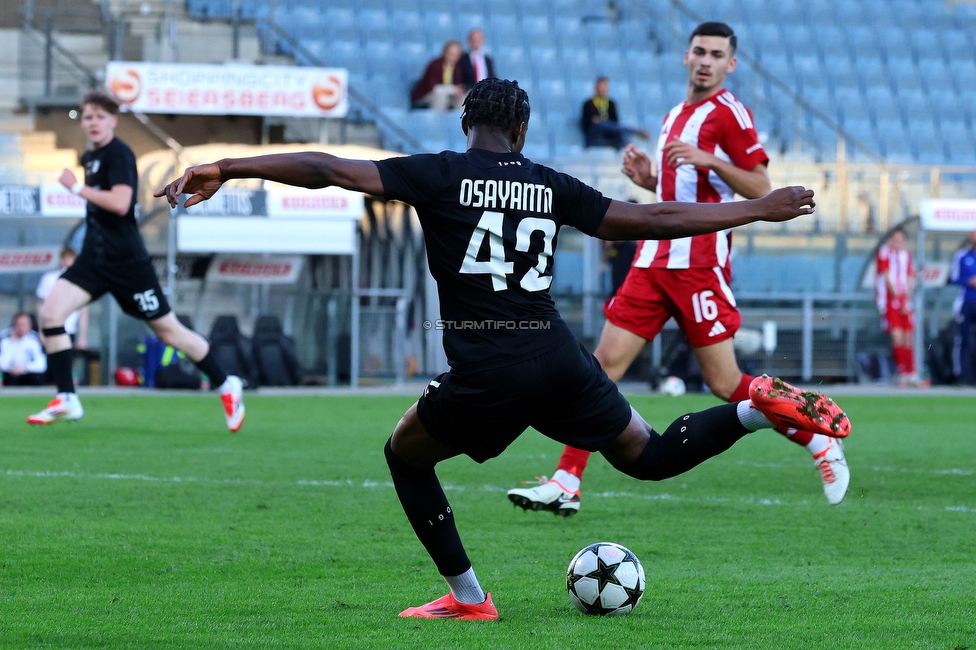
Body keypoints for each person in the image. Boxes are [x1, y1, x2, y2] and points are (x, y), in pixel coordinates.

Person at [157, 77, 850, 621]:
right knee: (650, 455)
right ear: (521, 130)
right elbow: (657, 217)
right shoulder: (549, 184)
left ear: (468, 125)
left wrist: (227, 165)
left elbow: (327, 167)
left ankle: (468, 597)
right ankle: (756, 410)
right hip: (556, 354)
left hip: (488, 369)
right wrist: (757, 208)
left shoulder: (439, 172)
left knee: (404, 454)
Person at [509, 22, 850, 515]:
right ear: (685, 57)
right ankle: (567, 479)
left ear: (730, 64)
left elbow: (760, 188)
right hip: (653, 260)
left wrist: (708, 158)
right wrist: (651, 180)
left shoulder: (729, 113)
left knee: (724, 383)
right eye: (699, 52)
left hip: (700, 265)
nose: (706, 60)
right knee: (599, 369)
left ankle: (816, 439)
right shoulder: (674, 115)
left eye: (717, 54)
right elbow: (680, 198)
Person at [27, 90, 244, 430]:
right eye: (88, 117)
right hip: (94, 259)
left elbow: (120, 203)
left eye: (100, 117)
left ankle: (226, 383)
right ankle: (67, 398)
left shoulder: (119, 155)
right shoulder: (90, 157)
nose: (93, 123)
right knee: (50, 314)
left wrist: (76, 188)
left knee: (169, 332)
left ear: (113, 120)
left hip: (127, 263)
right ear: (82, 122)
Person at [875, 226, 923, 387]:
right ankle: (902, 373)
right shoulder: (884, 253)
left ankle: (912, 373)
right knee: (897, 336)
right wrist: (898, 299)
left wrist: (906, 299)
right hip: (891, 300)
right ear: (890, 241)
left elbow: (910, 277)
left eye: (900, 240)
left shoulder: (907, 256)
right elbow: (887, 278)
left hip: (904, 300)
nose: (897, 243)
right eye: (895, 240)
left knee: (908, 337)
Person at [36, 247, 88, 349]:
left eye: (72, 258)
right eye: (67, 258)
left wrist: (83, 336)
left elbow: (83, 310)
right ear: (61, 260)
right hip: (51, 328)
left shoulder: (80, 281)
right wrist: (41, 331)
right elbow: (41, 306)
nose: (69, 262)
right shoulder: (49, 279)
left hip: (69, 329)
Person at [581, 76, 649, 149]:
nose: (602, 89)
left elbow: (615, 122)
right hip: (595, 136)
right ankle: (632, 130)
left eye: (604, 86)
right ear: (596, 87)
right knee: (601, 124)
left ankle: (629, 143)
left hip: (609, 136)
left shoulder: (611, 103)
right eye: (600, 86)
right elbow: (586, 123)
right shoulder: (588, 103)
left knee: (619, 134)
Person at [950, 229, 976, 384]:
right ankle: (961, 375)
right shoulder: (962, 255)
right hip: (966, 301)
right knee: (962, 339)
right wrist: (968, 280)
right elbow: (952, 277)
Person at [411, 40, 466, 111]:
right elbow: (434, 87)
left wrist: (459, 91)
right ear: (444, 52)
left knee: (463, 98)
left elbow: (458, 87)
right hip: (426, 95)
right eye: (450, 54)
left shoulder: (457, 68)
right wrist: (453, 90)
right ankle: (438, 120)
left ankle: (459, 120)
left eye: (456, 55)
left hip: (448, 95)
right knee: (440, 96)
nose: (452, 57)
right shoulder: (435, 64)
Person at [0, 312, 47, 386]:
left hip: (29, 374)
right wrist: (13, 343)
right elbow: (3, 364)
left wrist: (25, 367)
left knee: (36, 377)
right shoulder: (6, 340)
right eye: (19, 324)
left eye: (24, 324)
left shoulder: (34, 340)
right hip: (12, 375)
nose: (21, 327)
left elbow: (41, 364)